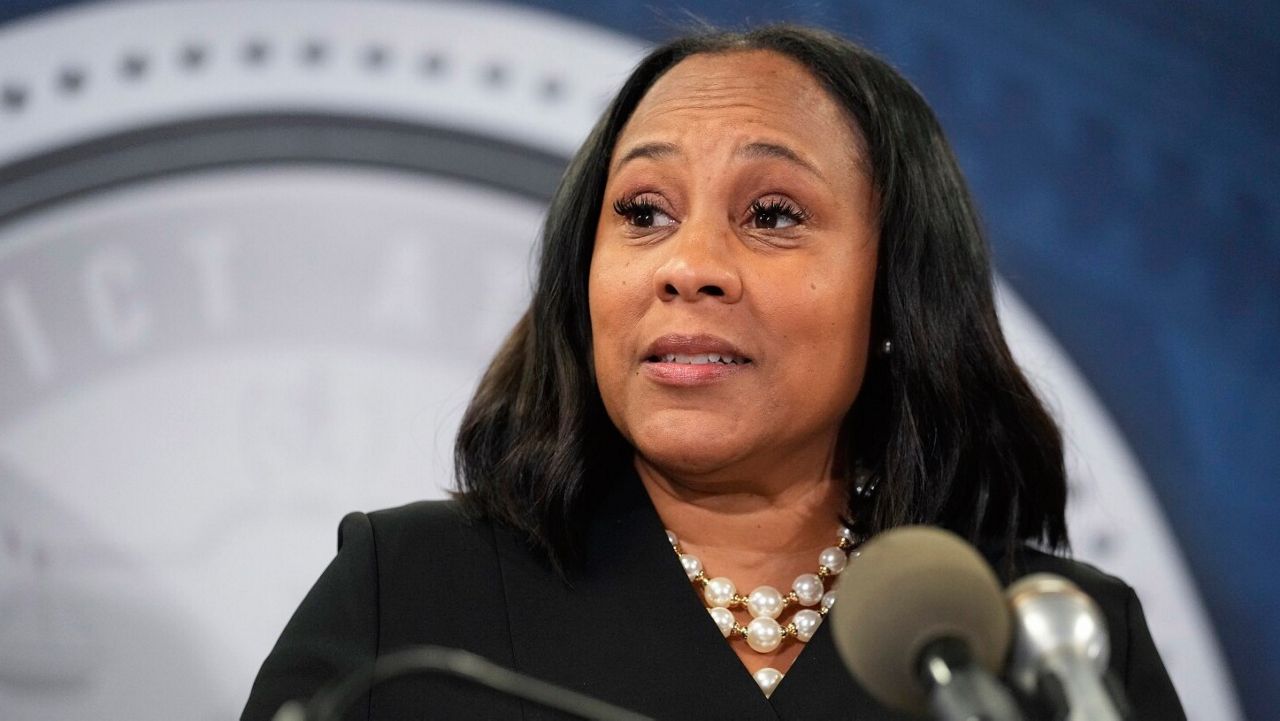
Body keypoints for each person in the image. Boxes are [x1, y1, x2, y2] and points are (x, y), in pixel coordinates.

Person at [241, 24, 1184, 720]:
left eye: (773, 213)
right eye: (644, 211)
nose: (685, 263)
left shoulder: (1056, 648)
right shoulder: (407, 596)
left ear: (895, 292)